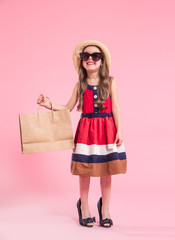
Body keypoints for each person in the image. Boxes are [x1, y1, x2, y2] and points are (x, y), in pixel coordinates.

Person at [36, 40, 127, 228]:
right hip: (86, 131)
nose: (91, 59)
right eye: (86, 56)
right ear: (81, 61)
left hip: (106, 130)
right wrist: (49, 105)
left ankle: (105, 209)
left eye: (95, 56)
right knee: (84, 171)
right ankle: (84, 206)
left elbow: (116, 107)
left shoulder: (110, 82)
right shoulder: (80, 85)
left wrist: (119, 129)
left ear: (102, 61)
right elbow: (68, 107)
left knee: (107, 170)